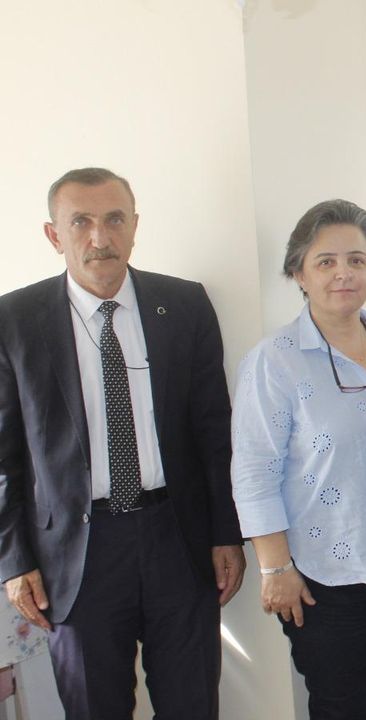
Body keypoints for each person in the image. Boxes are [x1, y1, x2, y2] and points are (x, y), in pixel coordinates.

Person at [0, 167, 245, 719]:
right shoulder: (13, 320)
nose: (100, 237)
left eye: (114, 219)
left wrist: (226, 533)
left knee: (192, 704)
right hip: (75, 554)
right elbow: (4, 459)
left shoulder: (183, 304)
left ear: (135, 226)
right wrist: (14, 561)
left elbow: (213, 429)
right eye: (80, 222)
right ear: (53, 235)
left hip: (176, 539)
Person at [231, 199, 366, 719]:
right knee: (343, 708)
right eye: (326, 262)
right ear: (299, 273)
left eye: (357, 260)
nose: (344, 273)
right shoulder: (274, 361)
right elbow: (254, 473)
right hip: (324, 577)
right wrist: (275, 568)